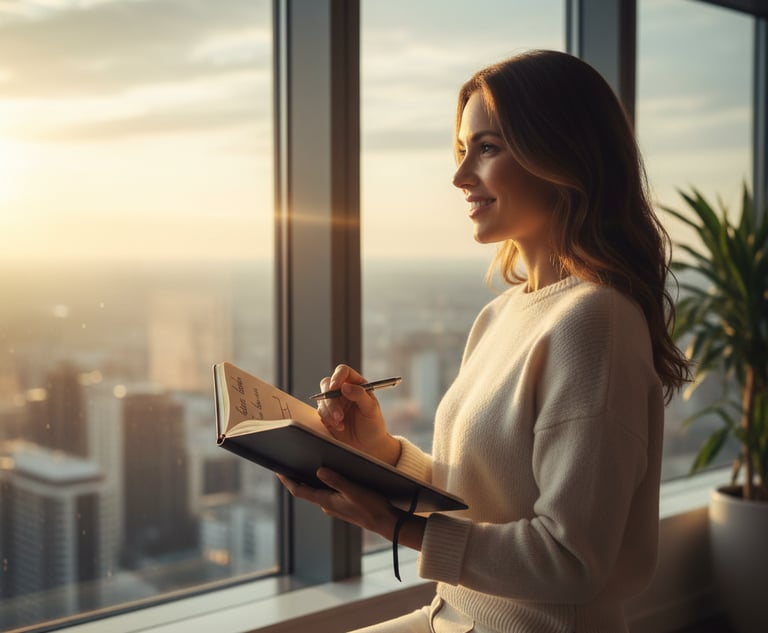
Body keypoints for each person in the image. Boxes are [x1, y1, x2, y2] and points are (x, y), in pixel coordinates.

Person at [277, 49, 690, 633]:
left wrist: (395, 526)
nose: (460, 176)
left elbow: (571, 560)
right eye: (462, 150)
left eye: (488, 148)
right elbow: (484, 497)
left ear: (563, 155)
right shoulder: (500, 315)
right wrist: (382, 451)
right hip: (454, 614)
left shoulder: (596, 321)